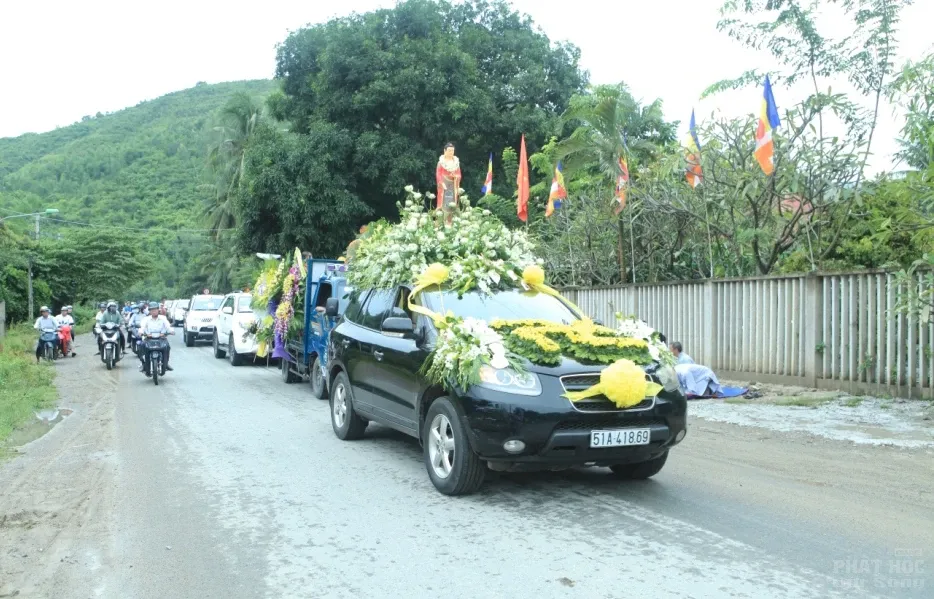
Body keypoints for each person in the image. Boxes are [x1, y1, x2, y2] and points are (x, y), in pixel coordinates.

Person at [138, 301, 174, 373]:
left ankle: (166, 363)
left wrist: (171, 331)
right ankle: (144, 364)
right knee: (141, 346)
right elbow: (142, 328)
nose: (154, 311)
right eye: (152, 310)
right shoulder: (146, 319)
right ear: (149, 311)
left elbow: (168, 327)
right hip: (148, 339)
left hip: (161, 338)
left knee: (167, 347)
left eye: (155, 309)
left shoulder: (163, 318)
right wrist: (141, 332)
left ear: (158, 310)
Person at [435, 142, 461, 226]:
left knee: (452, 203)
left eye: (452, 150)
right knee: (443, 202)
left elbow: (459, 174)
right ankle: (441, 220)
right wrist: (441, 182)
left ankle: (451, 220)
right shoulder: (441, 163)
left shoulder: (456, 163)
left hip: (453, 185)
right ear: (444, 151)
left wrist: (455, 176)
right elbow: (438, 174)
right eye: (449, 150)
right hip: (444, 185)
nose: (451, 152)